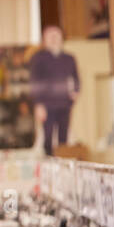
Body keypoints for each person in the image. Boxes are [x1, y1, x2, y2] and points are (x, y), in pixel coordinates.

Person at [28, 25, 79, 156]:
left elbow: (76, 78)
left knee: (64, 135)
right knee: (48, 136)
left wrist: (76, 92)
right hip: (47, 104)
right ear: (44, 39)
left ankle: (63, 160)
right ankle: (49, 161)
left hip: (64, 103)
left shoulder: (69, 58)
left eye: (56, 36)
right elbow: (34, 81)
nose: (54, 39)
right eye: (50, 36)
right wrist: (38, 104)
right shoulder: (38, 58)